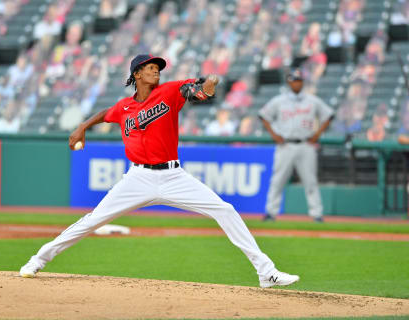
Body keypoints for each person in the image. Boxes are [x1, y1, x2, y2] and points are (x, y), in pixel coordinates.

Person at [19, 54, 299, 288]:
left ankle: (266, 272)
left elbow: (195, 90)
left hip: (173, 176)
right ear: (137, 74)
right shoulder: (124, 107)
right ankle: (39, 259)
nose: (156, 71)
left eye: (158, 68)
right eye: (151, 68)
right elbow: (106, 113)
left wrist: (208, 87)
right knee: (93, 220)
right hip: (137, 178)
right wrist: (82, 126)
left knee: (224, 209)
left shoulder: (169, 92)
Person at [258, 69, 334, 223]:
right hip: (285, 145)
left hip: (306, 144)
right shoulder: (279, 100)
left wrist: (317, 134)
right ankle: (270, 213)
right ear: (289, 82)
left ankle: (316, 214)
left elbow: (329, 115)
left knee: (310, 181)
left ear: (302, 82)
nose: (296, 83)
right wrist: (274, 135)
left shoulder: (312, 100)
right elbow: (263, 115)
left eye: (299, 80)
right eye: (293, 80)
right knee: (278, 180)